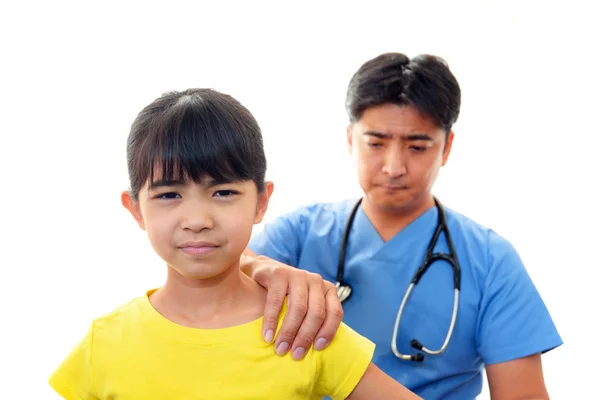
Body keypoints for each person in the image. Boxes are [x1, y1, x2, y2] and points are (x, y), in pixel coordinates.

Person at [48, 88, 421, 399]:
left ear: (261, 201)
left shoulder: (302, 328)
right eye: (168, 195)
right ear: (135, 210)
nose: (197, 221)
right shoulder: (106, 342)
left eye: (223, 192)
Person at [243, 52, 562, 399]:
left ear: (446, 148)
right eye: (376, 143)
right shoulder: (300, 235)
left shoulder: (490, 261)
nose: (394, 166)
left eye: (417, 146)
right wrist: (259, 265)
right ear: (350, 139)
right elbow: (212, 273)